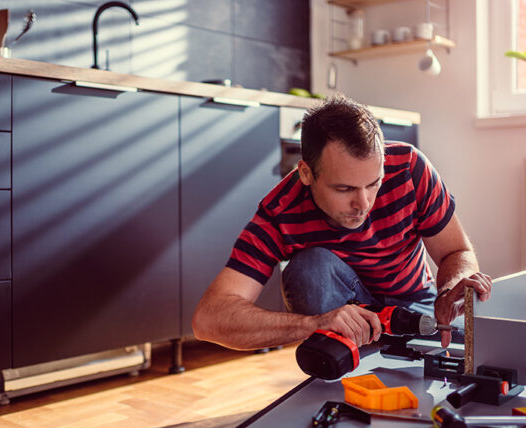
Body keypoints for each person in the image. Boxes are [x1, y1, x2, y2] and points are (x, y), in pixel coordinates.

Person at [191, 95, 492, 352]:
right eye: (344, 189)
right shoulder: (280, 211)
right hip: (342, 322)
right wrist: (314, 324)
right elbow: (208, 319)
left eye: (374, 184)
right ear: (306, 174)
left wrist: (449, 290)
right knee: (310, 268)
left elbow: (456, 251)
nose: (364, 205)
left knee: (481, 353)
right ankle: (338, 357)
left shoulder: (410, 168)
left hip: (415, 303)